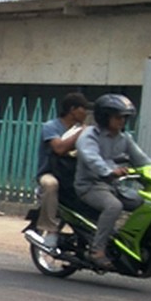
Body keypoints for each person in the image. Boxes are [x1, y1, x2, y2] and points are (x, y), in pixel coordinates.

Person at [74, 93, 151, 269]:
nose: (122, 121)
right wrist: (109, 171)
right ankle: (97, 250)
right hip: (90, 186)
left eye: (124, 118)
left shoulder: (125, 138)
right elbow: (92, 158)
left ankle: (128, 241)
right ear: (104, 117)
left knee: (147, 204)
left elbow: (142, 160)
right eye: (118, 117)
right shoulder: (89, 135)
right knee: (113, 206)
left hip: (114, 186)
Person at [27, 92, 89, 250]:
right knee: (50, 185)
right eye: (83, 109)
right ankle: (51, 230)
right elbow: (59, 148)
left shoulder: (83, 129)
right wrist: (81, 133)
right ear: (72, 109)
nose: (86, 113)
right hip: (51, 172)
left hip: (73, 173)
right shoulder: (51, 127)